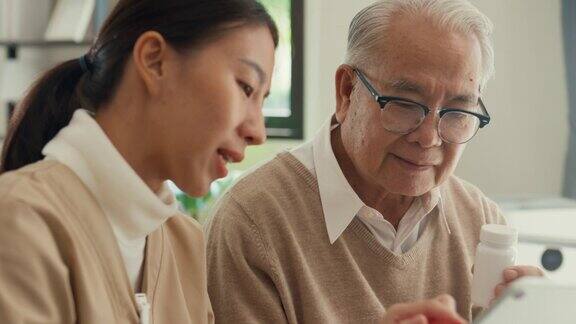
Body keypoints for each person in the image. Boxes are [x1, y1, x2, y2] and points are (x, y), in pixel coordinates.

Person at [205, 0, 542, 323]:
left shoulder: (479, 221)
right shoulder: (253, 222)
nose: (429, 138)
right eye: (405, 103)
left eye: (456, 112)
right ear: (347, 91)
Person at [0, 0, 277, 323]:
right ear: (154, 60)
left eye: (263, 100)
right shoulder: (20, 220)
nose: (258, 131)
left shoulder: (183, 242)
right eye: (246, 88)